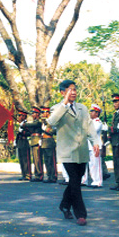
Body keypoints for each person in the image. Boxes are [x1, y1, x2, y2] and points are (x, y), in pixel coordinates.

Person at [47, 79, 100, 226]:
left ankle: (64, 205)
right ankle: (81, 214)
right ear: (63, 92)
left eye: (75, 89)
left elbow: (90, 128)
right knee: (76, 183)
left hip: (81, 151)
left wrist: (96, 142)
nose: (74, 92)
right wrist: (64, 104)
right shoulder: (57, 108)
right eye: (70, 89)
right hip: (67, 152)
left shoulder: (83, 108)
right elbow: (51, 122)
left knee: (76, 180)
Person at [84, 104, 103, 188]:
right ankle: (84, 181)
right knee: (88, 165)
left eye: (92, 111)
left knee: (95, 164)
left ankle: (97, 181)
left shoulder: (98, 122)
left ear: (97, 113)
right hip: (87, 145)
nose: (90, 113)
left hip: (95, 146)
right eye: (90, 111)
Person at [26, 107, 44, 182]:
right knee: (35, 159)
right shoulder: (34, 122)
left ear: (37, 114)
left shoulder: (38, 122)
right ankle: (37, 174)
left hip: (37, 141)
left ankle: (40, 175)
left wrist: (24, 124)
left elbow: (31, 125)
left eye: (34, 113)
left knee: (38, 159)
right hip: (33, 141)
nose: (32, 115)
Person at [41, 107, 58, 183]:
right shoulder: (44, 121)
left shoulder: (52, 121)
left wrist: (46, 129)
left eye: (44, 112)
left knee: (52, 160)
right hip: (44, 142)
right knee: (47, 160)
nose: (43, 114)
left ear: (48, 112)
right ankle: (49, 176)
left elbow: (54, 131)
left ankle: (53, 176)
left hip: (50, 142)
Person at [15, 109, 31, 180]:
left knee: (25, 160)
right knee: (21, 160)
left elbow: (29, 133)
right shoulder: (19, 124)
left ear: (24, 117)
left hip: (24, 142)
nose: (19, 117)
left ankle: (28, 174)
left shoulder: (26, 124)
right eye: (19, 115)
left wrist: (23, 131)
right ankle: (24, 174)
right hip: (20, 142)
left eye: (20, 116)